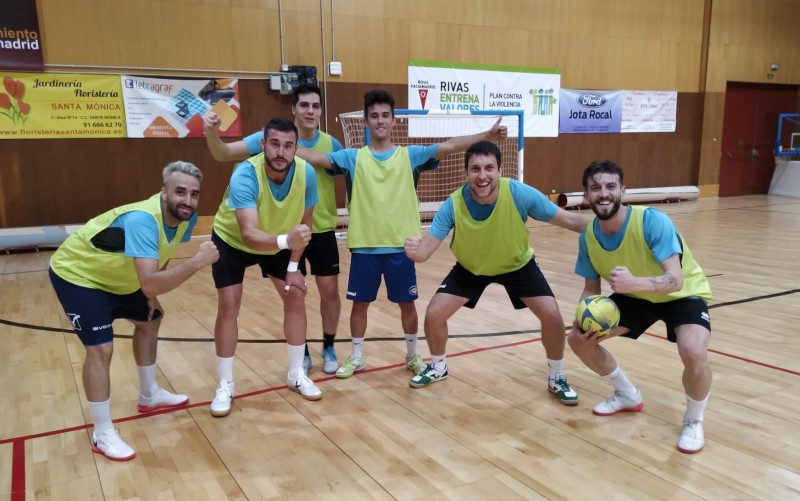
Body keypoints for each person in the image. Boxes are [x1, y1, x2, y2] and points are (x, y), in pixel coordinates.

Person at [295, 90, 507, 380]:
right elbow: (311, 155)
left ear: (394, 121)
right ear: (366, 122)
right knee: (360, 305)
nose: (380, 121)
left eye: (385, 115)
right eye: (374, 116)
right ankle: (357, 356)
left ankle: (412, 355)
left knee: (407, 304)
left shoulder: (411, 156)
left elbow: (451, 145)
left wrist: (488, 134)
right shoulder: (352, 157)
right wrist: (272, 144)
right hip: (365, 248)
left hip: (402, 248)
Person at [48, 161, 219, 461]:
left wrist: (148, 294)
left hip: (121, 277)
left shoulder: (185, 219)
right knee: (101, 349)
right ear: (163, 193)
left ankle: (149, 394)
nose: (188, 200)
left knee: (151, 319)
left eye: (194, 194)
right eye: (180, 192)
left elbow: (162, 251)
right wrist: (195, 262)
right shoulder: (143, 219)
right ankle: (102, 433)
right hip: (79, 275)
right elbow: (152, 281)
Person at [403, 141, 589, 403]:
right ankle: (438, 366)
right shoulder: (453, 204)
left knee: (552, 316)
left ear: (500, 170)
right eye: (475, 169)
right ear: (466, 173)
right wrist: (415, 250)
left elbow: (569, 220)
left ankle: (556, 376)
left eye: (489, 168)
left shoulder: (519, 194)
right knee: (434, 314)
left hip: (517, 265)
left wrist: (613, 227)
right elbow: (424, 254)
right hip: (471, 268)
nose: (482, 176)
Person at [567, 160, 712, 454]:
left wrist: (635, 283)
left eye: (610, 186)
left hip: (681, 295)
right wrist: (581, 318)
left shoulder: (651, 220)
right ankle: (627, 395)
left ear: (623, 190)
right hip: (635, 297)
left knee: (694, 351)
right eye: (595, 188)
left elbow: (676, 279)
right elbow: (591, 290)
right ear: (586, 196)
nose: (603, 194)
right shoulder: (589, 238)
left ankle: (694, 420)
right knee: (578, 340)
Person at [204, 83, 344, 375]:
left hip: (310, 231)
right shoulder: (262, 147)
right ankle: (231, 380)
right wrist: (211, 133)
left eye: (315, 106)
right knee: (231, 303)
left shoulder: (330, 146)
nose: (309, 110)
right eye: (303, 105)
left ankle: (318, 353)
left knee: (310, 293)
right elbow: (224, 153)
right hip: (271, 233)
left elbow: (349, 173)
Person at [208, 117, 321, 417]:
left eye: (287, 146)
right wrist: (287, 241)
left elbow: (305, 226)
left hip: (280, 238)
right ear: (263, 144)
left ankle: (296, 373)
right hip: (233, 240)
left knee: (295, 294)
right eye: (274, 144)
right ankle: (225, 383)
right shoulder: (245, 174)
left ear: (296, 148)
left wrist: (294, 267)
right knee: (229, 304)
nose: (280, 152)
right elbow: (249, 234)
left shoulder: (306, 174)